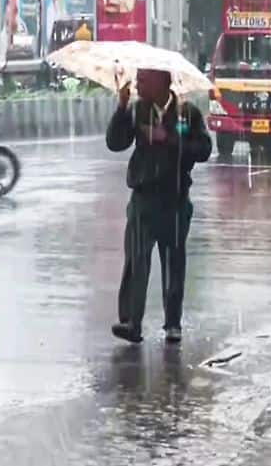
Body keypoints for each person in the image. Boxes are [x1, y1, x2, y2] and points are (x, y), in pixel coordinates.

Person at [106, 69, 213, 344]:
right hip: (143, 199)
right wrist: (120, 107)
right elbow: (115, 143)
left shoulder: (186, 113)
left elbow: (203, 149)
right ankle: (131, 321)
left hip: (175, 200)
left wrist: (169, 138)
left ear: (161, 82)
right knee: (136, 261)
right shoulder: (136, 111)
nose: (138, 84)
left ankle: (173, 324)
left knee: (173, 263)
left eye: (143, 79)